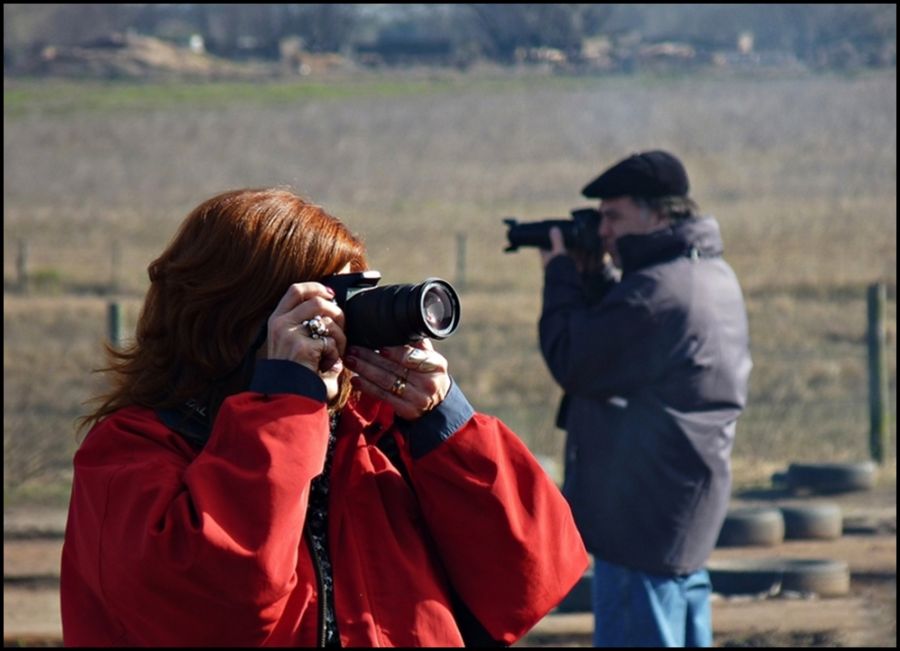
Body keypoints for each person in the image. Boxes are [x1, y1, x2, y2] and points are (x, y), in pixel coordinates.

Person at [60, 187, 589, 647]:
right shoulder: (130, 454)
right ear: (235, 317)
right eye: (317, 308)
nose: (336, 327)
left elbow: (532, 579)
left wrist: (441, 423)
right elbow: (220, 609)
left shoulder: (373, 440)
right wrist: (284, 404)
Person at [537, 151, 752, 647]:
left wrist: (561, 277)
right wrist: (597, 279)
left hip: (641, 518)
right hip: (676, 509)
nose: (604, 230)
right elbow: (627, 348)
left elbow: (575, 359)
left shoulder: (657, 294)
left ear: (657, 214)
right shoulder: (703, 275)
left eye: (613, 216)